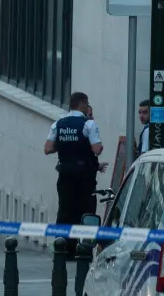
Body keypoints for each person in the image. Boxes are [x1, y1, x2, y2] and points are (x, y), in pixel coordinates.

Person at [44, 91, 104, 237]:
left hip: (65, 175)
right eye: (87, 103)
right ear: (82, 104)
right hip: (85, 177)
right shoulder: (88, 124)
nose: (87, 107)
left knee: (65, 210)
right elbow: (96, 150)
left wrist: (65, 144)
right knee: (86, 211)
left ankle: (62, 243)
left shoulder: (58, 124)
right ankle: (83, 244)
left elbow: (48, 149)